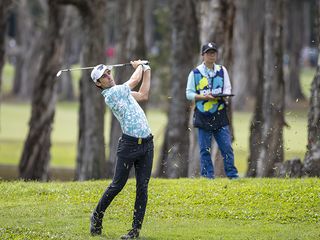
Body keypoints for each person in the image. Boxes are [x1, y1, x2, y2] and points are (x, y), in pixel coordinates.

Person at [90, 60, 153, 239]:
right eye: (103, 76)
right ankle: (96, 215)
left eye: (108, 73)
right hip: (129, 146)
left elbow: (143, 94)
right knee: (118, 185)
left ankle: (135, 231)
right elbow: (134, 80)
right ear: (98, 84)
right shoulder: (111, 94)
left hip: (147, 144)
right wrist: (140, 65)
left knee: (142, 187)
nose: (108, 76)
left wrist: (147, 69)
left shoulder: (122, 93)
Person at [186, 42, 239, 179]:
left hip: (220, 114)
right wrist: (203, 97)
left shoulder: (222, 70)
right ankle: (207, 176)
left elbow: (227, 88)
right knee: (205, 149)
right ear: (203, 55)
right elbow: (189, 94)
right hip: (203, 115)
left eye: (213, 52)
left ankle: (232, 175)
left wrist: (223, 96)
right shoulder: (195, 73)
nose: (211, 55)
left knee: (226, 147)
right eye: (209, 53)